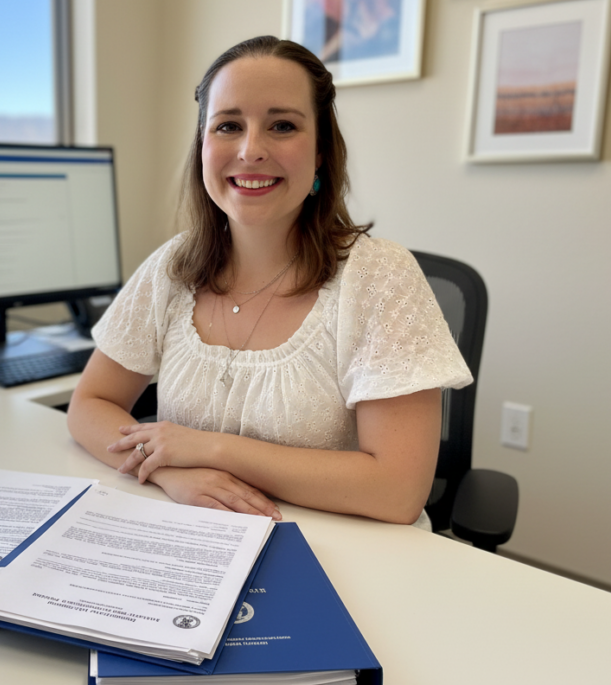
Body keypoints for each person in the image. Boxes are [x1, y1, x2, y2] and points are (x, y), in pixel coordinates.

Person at [67, 35, 471, 529]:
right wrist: (169, 472)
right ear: (203, 147)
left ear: (322, 150)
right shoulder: (172, 267)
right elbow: (89, 405)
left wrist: (209, 449)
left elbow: (398, 491)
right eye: (228, 126)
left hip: (350, 556)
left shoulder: (380, 277)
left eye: (282, 125)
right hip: (196, 543)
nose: (251, 150)